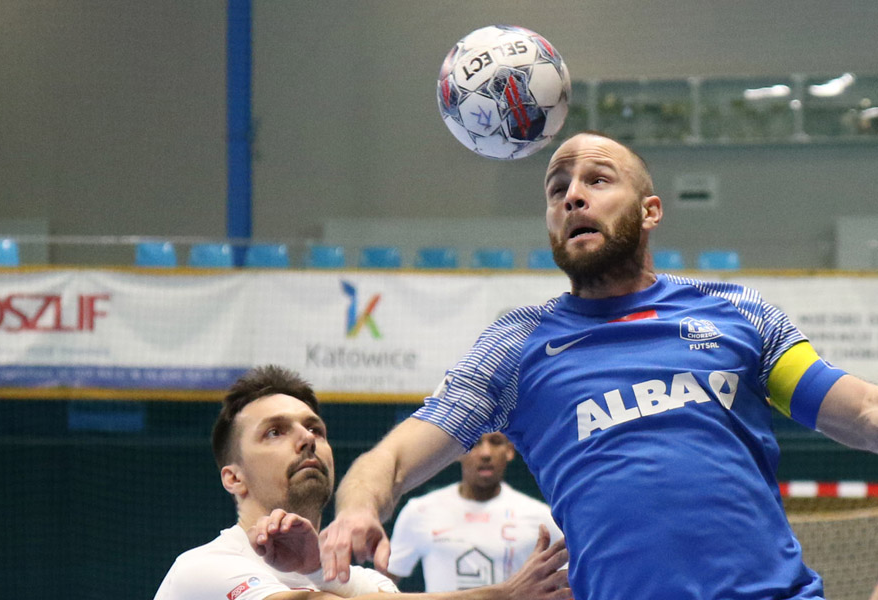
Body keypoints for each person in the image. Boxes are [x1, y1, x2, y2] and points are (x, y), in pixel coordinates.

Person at [318, 131, 878, 600]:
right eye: (557, 189)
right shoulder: (515, 347)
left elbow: (861, 411)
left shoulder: (738, 313)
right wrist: (356, 509)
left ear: (650, 210)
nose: (573, 198)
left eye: (598, 181)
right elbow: (390, 459)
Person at [153, 365, 570, 600]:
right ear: (233, 477)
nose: (306, 439)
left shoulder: (366, 584)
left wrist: (315, 569)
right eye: (275, 432)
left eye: (315, 429)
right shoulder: (201, 571)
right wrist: (502, 596)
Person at [387, 432, 562, 591]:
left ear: (509, 451)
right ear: (457, 451)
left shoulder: (541, 517)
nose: (486, 453)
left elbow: (571, 580)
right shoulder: (419, 512)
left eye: (495, 442)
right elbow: (385, 584)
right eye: (475, 442)